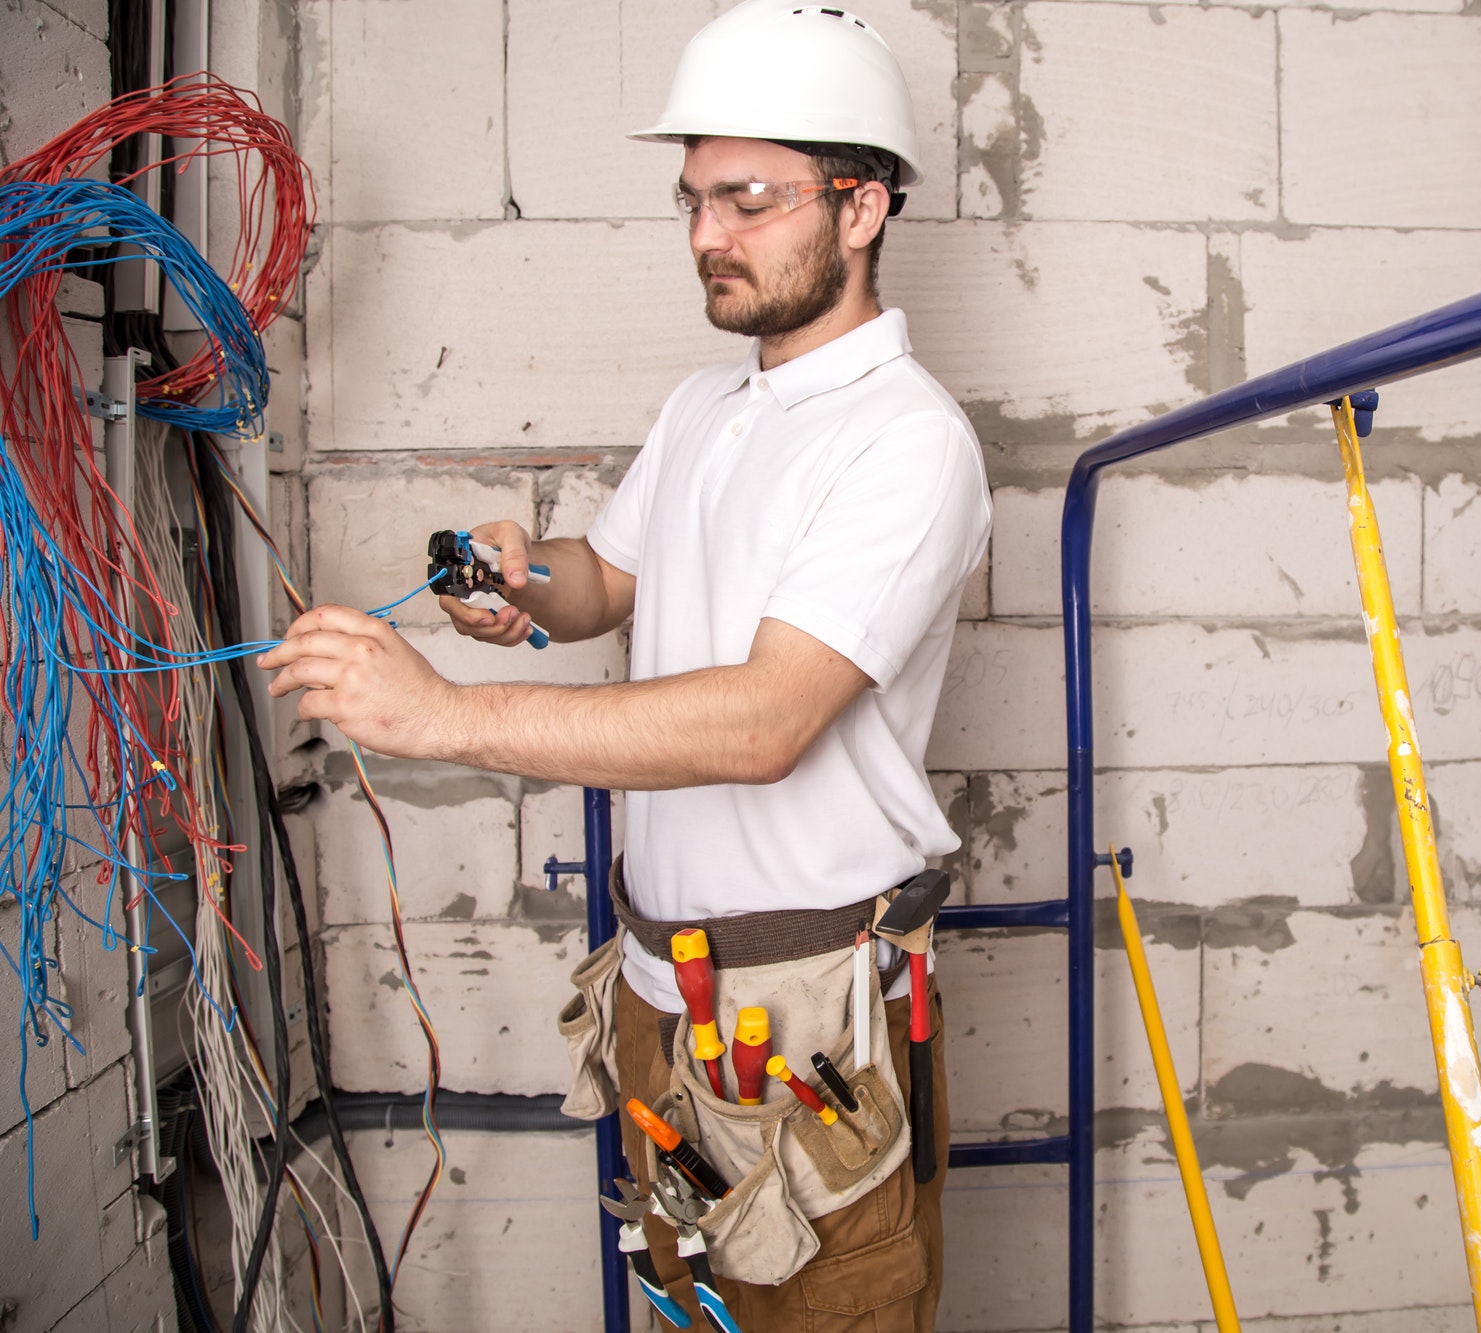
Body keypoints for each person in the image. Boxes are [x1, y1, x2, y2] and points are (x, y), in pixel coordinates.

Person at [259, 3, 989, 1327]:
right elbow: (605, 581)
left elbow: (768, 721)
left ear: (864, 206)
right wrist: (518, 576)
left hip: (808, 1018)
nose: (710, 234)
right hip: (665, 1000)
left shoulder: (906, 442)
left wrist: (441, 716)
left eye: (750, 200)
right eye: (696, 200)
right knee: (695, 1306)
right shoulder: (708, 408)